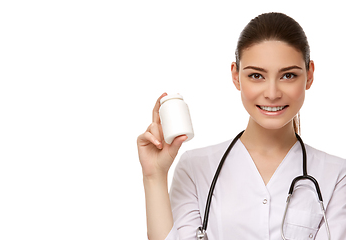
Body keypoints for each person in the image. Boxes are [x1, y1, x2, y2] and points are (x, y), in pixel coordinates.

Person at [137, 12, 346, 240]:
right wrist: (154, 175)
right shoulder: (194, 168)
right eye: (257, 75)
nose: (272, 93)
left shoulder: (336, 176)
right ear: (236, 76)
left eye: (288, 75)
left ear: (309, 75)